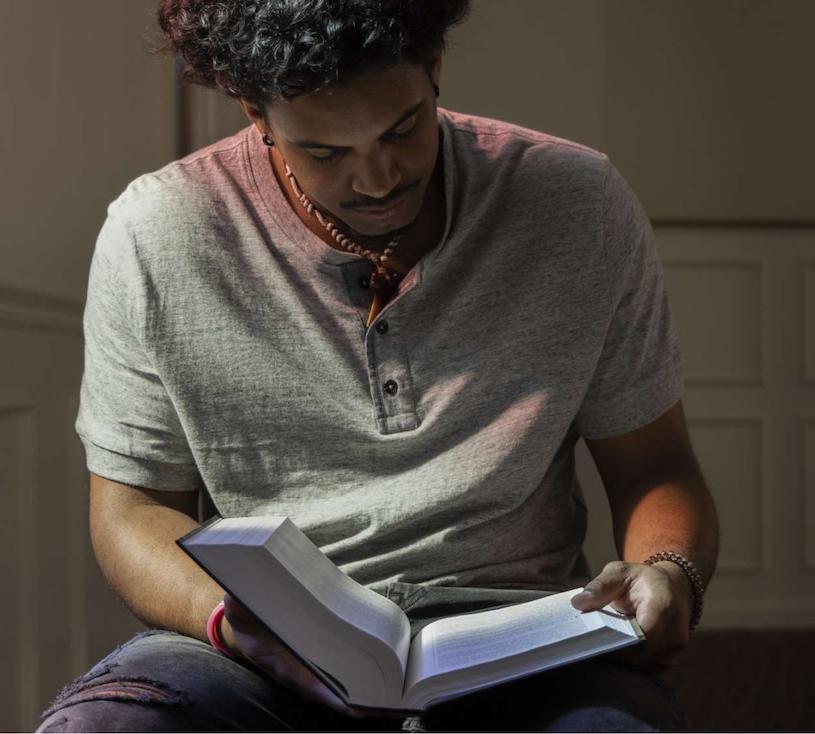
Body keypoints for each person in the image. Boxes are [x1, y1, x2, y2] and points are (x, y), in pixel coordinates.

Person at [39, 1, 719, 731]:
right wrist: (228, 622)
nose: (376, 179)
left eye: (402, 129)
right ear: (254, 112)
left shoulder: (579, 203)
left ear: (434, 71)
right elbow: (132, 511)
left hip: (521, 636)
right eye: (325, 152)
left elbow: (655, 463)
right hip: (253, 641)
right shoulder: (157, 231)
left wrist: (669, 571)